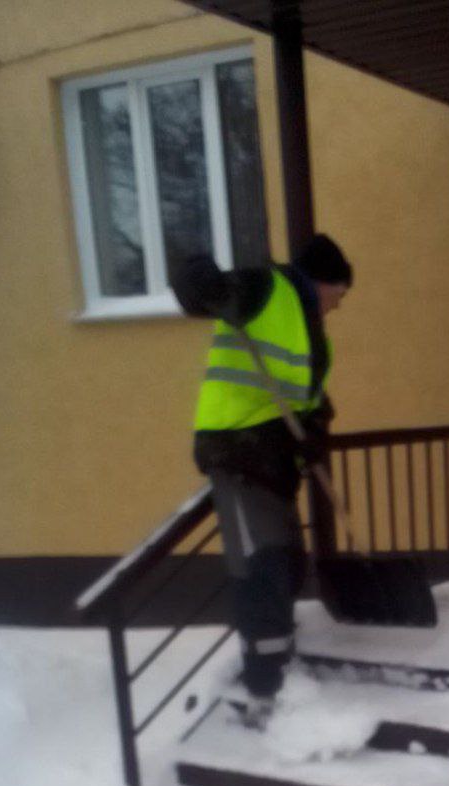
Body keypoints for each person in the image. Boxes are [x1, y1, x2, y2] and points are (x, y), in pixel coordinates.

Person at [173, 234, 353, 727]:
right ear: (322, 282)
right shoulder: (265, 289)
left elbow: (310, 401)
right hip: (236, 452)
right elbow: (198, 296)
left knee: (289, 563)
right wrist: (196, 271)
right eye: (340, 293)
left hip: (273, 460)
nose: (339, 305)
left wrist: (314, 435)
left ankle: (280, 660)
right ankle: (264, 685)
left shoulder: (315, 336)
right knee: (262, 566)